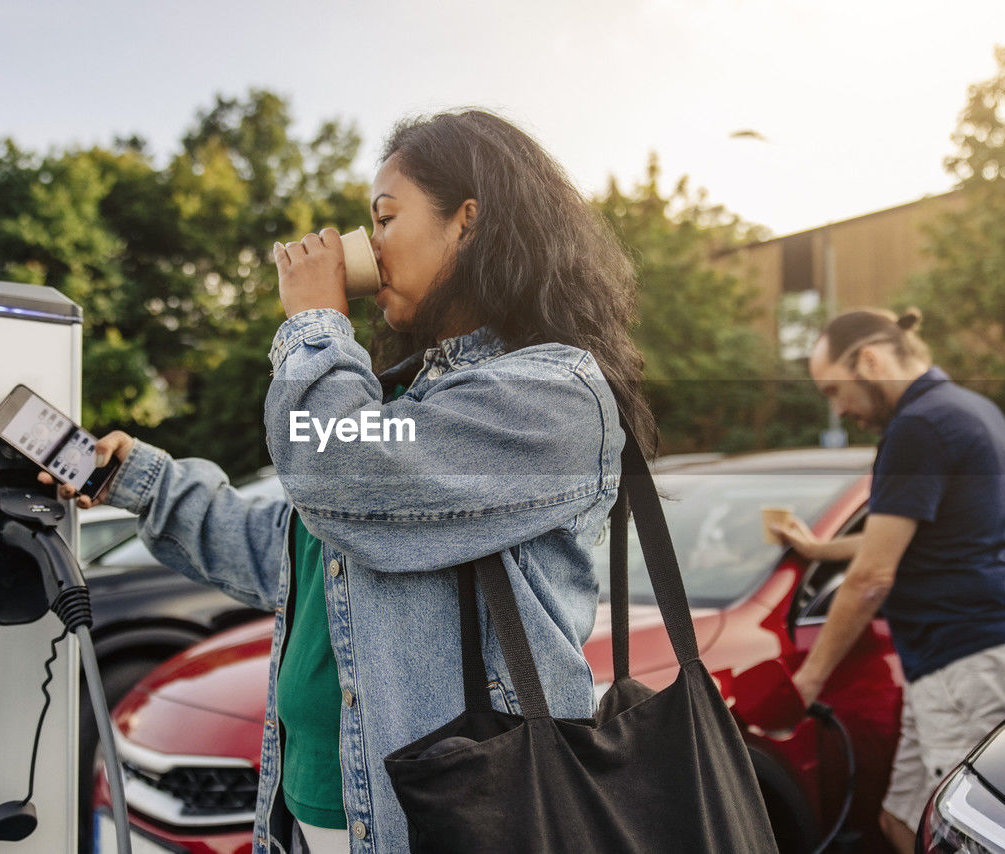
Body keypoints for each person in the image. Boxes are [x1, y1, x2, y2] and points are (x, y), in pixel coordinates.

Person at [45, 109, 654, 854]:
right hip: (311, 810)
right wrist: (138, 480)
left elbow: (337, 471)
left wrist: (314, 323)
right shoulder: (405, 399)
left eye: (385, 217)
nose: (366, 244)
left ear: (469, 222)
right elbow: (289, 542)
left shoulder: (551, 396)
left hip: (443, 822)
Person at [773, 308, 1005, 854]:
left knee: (970, 840)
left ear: (869, 360)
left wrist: (807, 683)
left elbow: (872, 577)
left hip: (969, 670)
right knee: (901, 824)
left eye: (835, 390)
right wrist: (819, 549)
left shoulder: (918, 427)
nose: (839, 408)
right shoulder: (969, 409)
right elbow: (904, 535)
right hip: (966, 666)